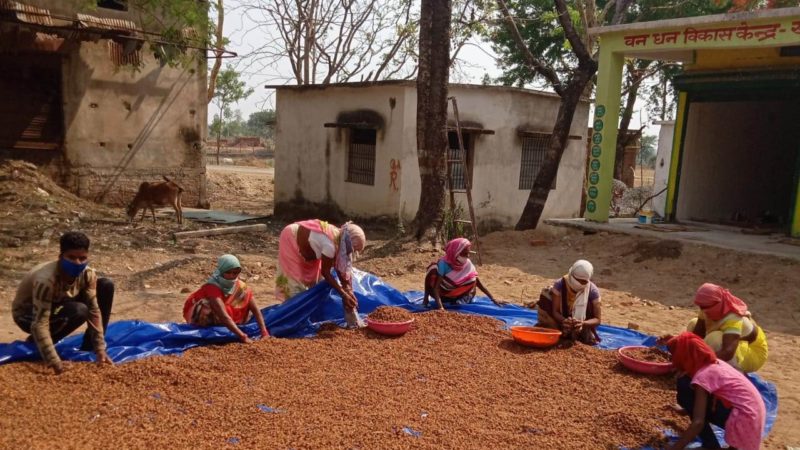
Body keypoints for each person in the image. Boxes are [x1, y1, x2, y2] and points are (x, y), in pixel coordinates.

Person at [12, 231, 114, 374]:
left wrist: (100, 349)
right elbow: (39, 323)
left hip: (59, 303)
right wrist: (54, 361)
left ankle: (88, 347)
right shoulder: (46, 280)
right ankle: (38, 343)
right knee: (79, 310)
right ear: (61, 257)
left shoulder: (88, 274)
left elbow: (94, 310)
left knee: (105, 285)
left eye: (82, 258)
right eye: (72, 257)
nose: (78, 263)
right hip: (27, 314)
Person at [665, 332, 766, 450]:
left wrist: (676, 447)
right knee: (686, 387)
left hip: (746, 420)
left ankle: (711, 446)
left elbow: (698, 423)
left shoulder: (703, 375)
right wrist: (686, 410)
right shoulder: (715, 363)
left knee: (685, 389)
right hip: (755, 415)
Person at [275, 219, 366, 327]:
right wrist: (343, 294)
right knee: (294, 287)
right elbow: (326, 272)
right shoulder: (330, 245)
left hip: (311, 248)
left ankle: (310, 315)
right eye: (353, 249)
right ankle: (291, 321)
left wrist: (349, 290)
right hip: (292, 238)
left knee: (316, 284)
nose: (352, 253)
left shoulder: (341, 240)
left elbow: (342, 269)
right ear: (347, 242)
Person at [675, 283, 768, 374]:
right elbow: (697, 336)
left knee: (714, 339)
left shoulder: (733, 317)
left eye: (705, 307)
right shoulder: (708, 307)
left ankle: (730, 373)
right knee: (693, 323)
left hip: (752, 353)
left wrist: (697, 363)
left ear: (717, 304)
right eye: (701, 307)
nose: (703, 310)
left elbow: (727, 352)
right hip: (734, 343)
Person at [183, 254, 269, 343]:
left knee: (243, 293)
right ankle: (209, 328)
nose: (232, 276)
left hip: (225, 313)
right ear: (221, 271)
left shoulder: (241, 287)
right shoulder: (212, 287)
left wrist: (264, 332)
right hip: (201, 315)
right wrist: (243, 336)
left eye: (235, 272)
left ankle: (232, 326)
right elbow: (223, 315)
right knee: (206, 305)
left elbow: (255, 310)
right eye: (228, 272)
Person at [534, 259, 601, 344]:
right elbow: (555, 312)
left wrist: (582, 323)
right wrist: (565, 321)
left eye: (583, 281)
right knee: (546, 296)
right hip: (561, 318)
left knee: (590, 304)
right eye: (577, 279)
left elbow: (597, 319)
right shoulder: (560, 284)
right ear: (571, 275)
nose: (579, 283)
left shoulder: (592, 290)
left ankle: (579, 334)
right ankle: (554, 329)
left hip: (582, 322)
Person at [423, 238, 503, 310]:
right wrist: (440, 307)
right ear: (455, 252)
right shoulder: (443, 264)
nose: (467, 256)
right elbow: (436, 288)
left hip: (460, 294)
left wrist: (493, 299)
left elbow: (477, 282)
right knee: (432, 270)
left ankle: (459, 302)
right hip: (444, 295)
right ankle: (451, 302)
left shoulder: (467, 263)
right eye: (464, 254)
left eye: (468, 253)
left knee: (472, 280)